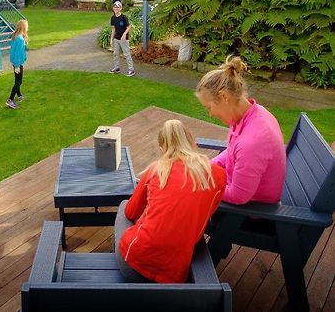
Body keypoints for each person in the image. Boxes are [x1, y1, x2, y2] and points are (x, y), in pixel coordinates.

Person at [114, 119, 226, 283]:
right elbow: (204, 215)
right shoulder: (218, 175)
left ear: (163, 148)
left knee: (124, 205)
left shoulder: (157, 169)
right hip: (174, 274)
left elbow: (131, 212)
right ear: (191, 142)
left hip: (133, 264)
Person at [195, 55, 286, 205]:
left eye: (209, 107)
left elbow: (238, 196)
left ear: (224, 97)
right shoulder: (252, 114)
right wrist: (208, 165)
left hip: (249, 214)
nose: (210, 113)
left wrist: (204, 186)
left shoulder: (252, 143)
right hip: (242, 189)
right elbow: (232, 151)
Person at [6, 19, 28, 110]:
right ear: (23, 27)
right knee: (19, 82)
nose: (28, 28)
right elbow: (17, 53)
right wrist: (17, 66)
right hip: (17, 63)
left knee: (17, 80)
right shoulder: (19, 39)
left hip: (16, 62)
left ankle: (19, 96)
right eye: (27, 26)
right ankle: (10, 100)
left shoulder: (17, 36)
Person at [109, 1, 135, 77]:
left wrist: (124, 34)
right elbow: (113, 29)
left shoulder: (124, 17)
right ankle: (117, 68)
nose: (116, 8)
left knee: (126, 54)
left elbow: (129, 27)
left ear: (120, 8)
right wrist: (111, 39)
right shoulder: (113, 18)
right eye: (114, 7)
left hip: (124, 39)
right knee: (115, 54)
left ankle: (131, 70)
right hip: (116, 39)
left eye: (117, 7)